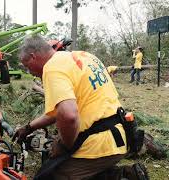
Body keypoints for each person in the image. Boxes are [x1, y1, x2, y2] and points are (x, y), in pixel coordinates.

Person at [13, 35, 148, 180]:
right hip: (120, 139)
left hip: (96, 146)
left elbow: (69, 116)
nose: (30, 72)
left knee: (49, 176)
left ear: (33, 57)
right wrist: (29, 127)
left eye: (27, 66)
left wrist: (64, 145)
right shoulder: (84, 56)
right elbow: (58, 112)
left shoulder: (52, 68)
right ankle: (124, 174)